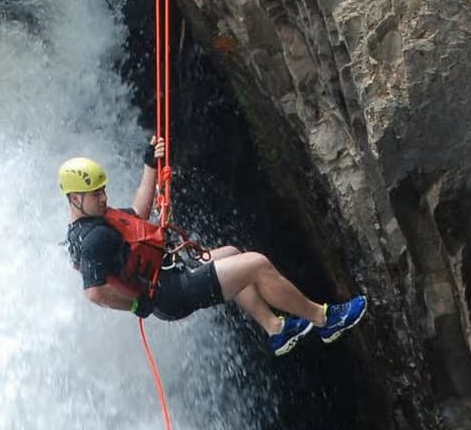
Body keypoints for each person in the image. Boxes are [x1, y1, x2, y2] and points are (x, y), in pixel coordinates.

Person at [59, 139, 367, 356]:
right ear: (75, 198)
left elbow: (138, 215)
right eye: (95, 194)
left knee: (232, 254)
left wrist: (149, 166)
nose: (103, 198)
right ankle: (325, 319)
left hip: (169, 275)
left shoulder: (98, 220)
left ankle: (276, 329)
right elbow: (95, 294)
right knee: (256, 264)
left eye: (102, 191)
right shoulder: (93, 239)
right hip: (171, 292)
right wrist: (138, 305)